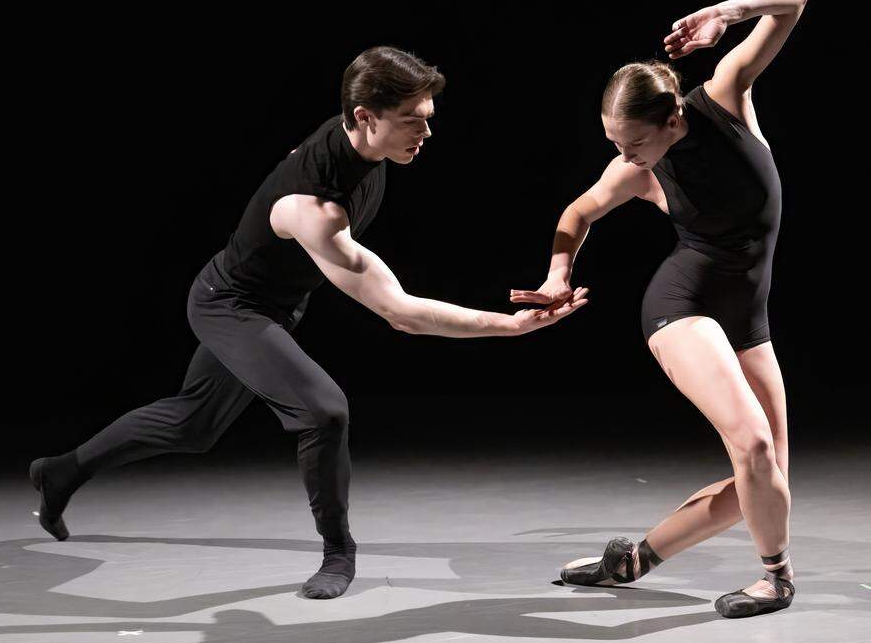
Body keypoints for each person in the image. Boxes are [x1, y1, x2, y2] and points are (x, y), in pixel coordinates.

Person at [32, 46, 589, 600]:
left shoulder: (359, 140)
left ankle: (60, 472)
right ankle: (338, 550)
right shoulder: (314, 209)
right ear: (365, 118)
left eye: (428, 120)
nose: (425, 133)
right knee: (323, 411)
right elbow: (401, 313)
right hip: (230, 305)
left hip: (276, 303)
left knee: (192, 425)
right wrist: (510, 327)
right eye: (412, 122)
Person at [512, 0, 808, 617]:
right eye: (613, 141)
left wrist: (724, 14)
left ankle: (634, 560)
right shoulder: (637, 170)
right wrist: (559, 271)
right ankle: (776, 579)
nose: (622, 155)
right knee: (753, 448)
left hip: (747, 315)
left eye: (633, 142)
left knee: (768, 479)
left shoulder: (725, 98)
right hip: (683, 304)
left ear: (672, 119)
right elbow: (579, 211)